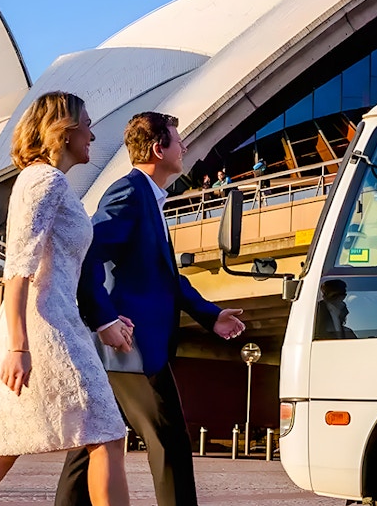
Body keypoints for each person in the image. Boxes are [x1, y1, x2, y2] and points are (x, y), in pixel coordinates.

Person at [0, 91, 129, 506]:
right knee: (105, 433)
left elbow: (65, 269)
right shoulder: (42, 180)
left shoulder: (52, 183)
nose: (92, 133)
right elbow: (18, 265)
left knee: (0, 450)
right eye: (86, 123)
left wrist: (106, 322)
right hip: (41, 328)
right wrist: (18, 344)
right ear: (63, 131)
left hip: (54, 322)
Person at [57, 112, 246, 506]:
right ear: (159, 149)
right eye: (179, 141)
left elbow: (166, 278)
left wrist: (210, 315)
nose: (186, 147)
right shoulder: (128, 193)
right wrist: (105, 320)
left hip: (130, 345)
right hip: (129, 346)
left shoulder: (151, 199)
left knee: (91, 444)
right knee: (169, 441)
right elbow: (88, 254)